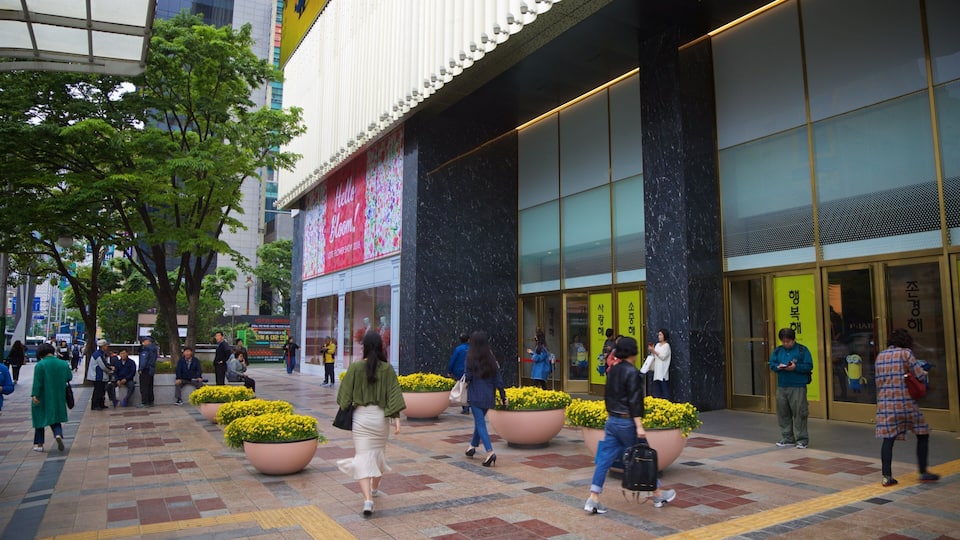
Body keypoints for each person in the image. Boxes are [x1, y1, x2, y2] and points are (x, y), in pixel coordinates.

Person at [584, 336, 677, 514]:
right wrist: (639, 426)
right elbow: (635, 402)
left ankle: (593, 497)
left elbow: (608, 397)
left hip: (612, 421)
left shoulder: (613, 371)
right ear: (632, 352)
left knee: (604, 459)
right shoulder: (632, 373)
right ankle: (658, 494)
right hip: (627, 422)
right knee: (642, 458)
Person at [336, 331, 405, 517]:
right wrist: (397, 421)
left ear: (364, 347)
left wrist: (347, 402)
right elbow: (394, 395)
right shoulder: (388, 369)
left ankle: (368, 500)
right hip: (381, 419)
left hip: (361, 419)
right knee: (378, 455)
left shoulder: (355, 368)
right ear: (381, 347)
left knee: (363, 456)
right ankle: (374, 488)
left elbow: (343, 398)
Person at [875, 328, 939, 487]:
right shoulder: (906, 354)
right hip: (905, 403)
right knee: (922, 432)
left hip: (885, 404)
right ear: (906, 341)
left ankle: (886, 477)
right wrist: (925, 371)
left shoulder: (880, 356)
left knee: (888, 439)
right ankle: (923, 472)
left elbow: (878, 382)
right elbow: (919, 375)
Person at [464, 331, 507, 467]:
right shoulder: (491, 358)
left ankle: (489, 452)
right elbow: (498, 379)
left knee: (480, 423)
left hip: (476, 394)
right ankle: (472, 446)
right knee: (479, 422)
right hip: (489, 396)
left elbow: (468, 376)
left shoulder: (470, 357)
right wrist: (502, 395)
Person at [769, 328, 813, 449]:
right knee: (783, 412)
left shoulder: (802, 350)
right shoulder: (778, 351)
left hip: (798, 386)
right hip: (782, 385)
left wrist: (795, 367)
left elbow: (809, 366)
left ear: (793, 340)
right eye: (783, 341)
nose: (786, 344)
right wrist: (778, 367)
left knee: (799, 412)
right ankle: (787, 437)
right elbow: (771, 364)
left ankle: (802, 439)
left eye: (788, 341)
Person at [31, 343, 73, 452]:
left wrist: (34, 394)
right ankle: (58, 434)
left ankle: (39, 444)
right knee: (55, 417)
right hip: (58, 395)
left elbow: (37, 382)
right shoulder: (63, 364)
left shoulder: (40, 365)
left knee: (39, 419)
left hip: (42, 396)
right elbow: (69, 377)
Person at [87, 340, 114, 410]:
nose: (107, 347)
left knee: (101, 391)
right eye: (106, 345)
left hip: (99, 376)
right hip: (97, 376)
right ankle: (95, 405)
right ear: (103, 346)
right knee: (98, 391)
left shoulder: (100, 354)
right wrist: (110, 370)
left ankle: (101, 404)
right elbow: (103, 366)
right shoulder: (98, 355)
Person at [446, 333, 470, 413]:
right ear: (468, 340)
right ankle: (468, 404)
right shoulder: (472, 349)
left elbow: (452, 361)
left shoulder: (458, 349)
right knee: (468, 388)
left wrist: (450, 371)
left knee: (463, 387)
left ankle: (465, 407)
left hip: (460, 372)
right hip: (470, 371)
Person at [646, 329, 672, 400]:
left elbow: (663, 357)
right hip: (657, 371)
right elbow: (654, 356)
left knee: (665, 390)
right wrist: (652, 350)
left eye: (660, 335)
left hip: (663, 371)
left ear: (664, 336)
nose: (659, 336)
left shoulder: (666, 346)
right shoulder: (657, 345)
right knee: (657, 391)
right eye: (659, 335)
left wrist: (654, 351)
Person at [138, 337, 158, 408]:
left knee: (144, 387)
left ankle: (145, 402)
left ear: (148, 341)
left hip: (145, 370)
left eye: (144, 341)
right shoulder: (154, 349)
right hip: (151, 370)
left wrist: (140, 369)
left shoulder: (146, 349)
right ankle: (150, 401)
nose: (142, 342)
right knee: (150, 386)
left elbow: (144, 360)